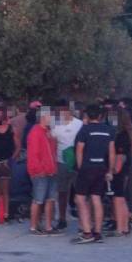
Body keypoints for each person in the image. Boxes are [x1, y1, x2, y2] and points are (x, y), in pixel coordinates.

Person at [73, 104, 116, 244]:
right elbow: (111, 152)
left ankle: (87, 233)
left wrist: (80, 168)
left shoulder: (84, 130)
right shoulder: (109, 130)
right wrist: (110, 170)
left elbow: (79, 150)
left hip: (86, 167)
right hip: (101, 167)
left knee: (80, 199)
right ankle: (97, 232)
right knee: (96, 199)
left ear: (87, 116)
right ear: (100, 116)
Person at [27, 108, 61, 236]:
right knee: (38, 199)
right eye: (50, 116)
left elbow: (52, 151)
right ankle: (33, 226)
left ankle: (48, 226)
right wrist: (38, 169)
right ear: (43, 117)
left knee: (50, 199)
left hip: (51, 170)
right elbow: (33, 154)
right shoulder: (35, 132)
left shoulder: (47, 132)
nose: (52, 118)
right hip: (40, 172)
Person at [51, 101, 83, 230]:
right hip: (60, 162)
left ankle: (83, 221)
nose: (60, 114)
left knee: (80, 193)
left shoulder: (79, 124)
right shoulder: (54, 124)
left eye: (63, 111)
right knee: (62, 192)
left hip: (76, 162)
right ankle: (62, 218)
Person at [110, 107, 132, 236]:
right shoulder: (127, 134)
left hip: (119, 170)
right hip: (124, 169)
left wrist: (113, 171)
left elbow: (120, 156)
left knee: (118, 199)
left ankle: (120, 228)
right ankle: (124, 227)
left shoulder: (121, 136)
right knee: (122, 198)